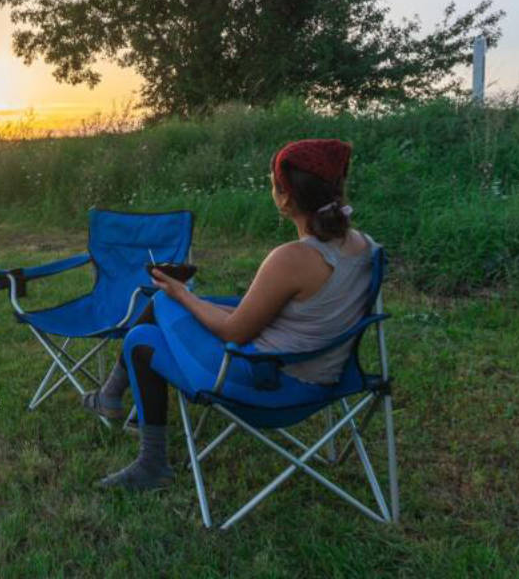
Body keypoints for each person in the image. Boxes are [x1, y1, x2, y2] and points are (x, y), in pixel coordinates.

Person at [83, 138, 379, 490]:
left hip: (268, 382)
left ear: (284, 197)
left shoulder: (292, 259)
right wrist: (196, 302)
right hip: (330, 376)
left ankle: (149, 458)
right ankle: (112, 398)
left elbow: (234, 332)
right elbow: (286, 316)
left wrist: (181, 294)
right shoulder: (365, 246)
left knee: (144, 334)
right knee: (178, 306)